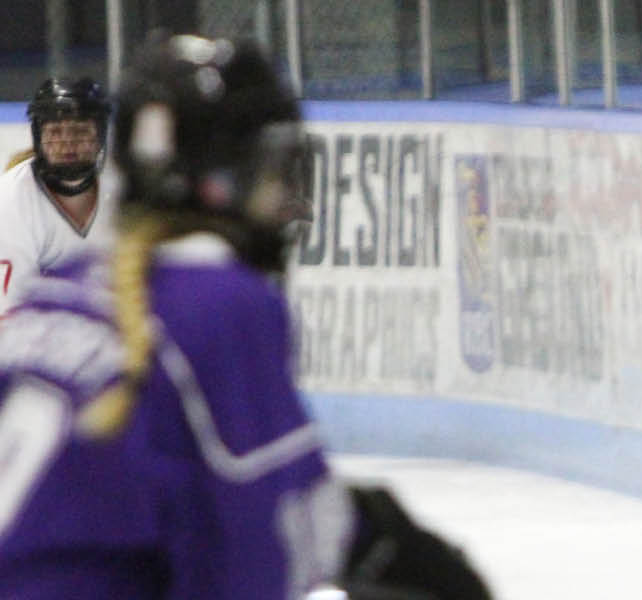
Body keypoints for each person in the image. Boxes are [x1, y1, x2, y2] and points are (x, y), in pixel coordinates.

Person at [0, 35, 490, 599]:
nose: (284, 195)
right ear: (220, 177)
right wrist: (374, 537)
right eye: (271, 166)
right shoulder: (225, 304)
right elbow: (250, 555)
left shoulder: (58, 291)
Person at [0, 76, 115, 315]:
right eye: (55, 132)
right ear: (38, 136)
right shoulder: (10, 198)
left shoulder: (122, 187)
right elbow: (9, 317)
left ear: (101, 134)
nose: (67, 144)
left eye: (80, 131)